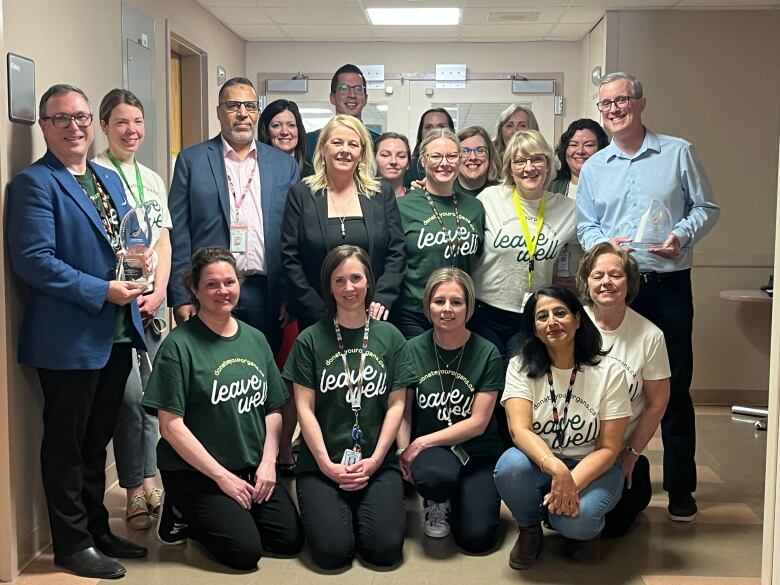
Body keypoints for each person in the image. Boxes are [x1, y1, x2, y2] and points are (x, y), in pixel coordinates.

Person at [7, 84, 148, 579]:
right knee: (68, 445)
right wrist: (101, 290)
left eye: (82, 117)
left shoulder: (101, 177)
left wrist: (137, 266)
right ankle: (71, 544)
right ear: (44, 126)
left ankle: (96, 529)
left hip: (116, 333)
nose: (75, 127)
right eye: (62, 118)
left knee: (97, 441)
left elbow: (119, 238)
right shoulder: (34, 184)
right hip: (69, 339)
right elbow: (34, 261)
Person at [577, 71, 720, 521]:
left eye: (621, 101)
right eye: (606, 105)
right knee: (609, 386)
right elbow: (586, 227)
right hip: (616, 290)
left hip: (669, 286)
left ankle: (680, 488)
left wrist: (681, 235)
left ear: (640, 103)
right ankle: (616, 476)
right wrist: (605, 248)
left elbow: (706, 208)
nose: (614, 110)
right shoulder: (595, 167)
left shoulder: (679, 153)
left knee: (674, 388)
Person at [141, 247, 303, 570]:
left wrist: (269, 463)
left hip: (250, 467)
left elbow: (274, 408)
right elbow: (170, 427)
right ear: (195, 290)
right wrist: (222, 478)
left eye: (229, 282)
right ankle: (180, 511)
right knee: (245, 553)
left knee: (289, 540)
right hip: (198, 473)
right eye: (212, 284)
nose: (222, 291)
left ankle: (230, 512)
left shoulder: (255, 340)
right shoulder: (179, 347)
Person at [283, 245, 415, 569]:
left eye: (356, 278)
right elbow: (304, 408)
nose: (349, 288)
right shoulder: (310, 340)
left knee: (383, 552)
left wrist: (375, 460)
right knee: (332, 554)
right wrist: (327, 465)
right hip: (321, 464)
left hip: (377, 461)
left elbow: (397, 405)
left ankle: (363, 505)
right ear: (329, 286)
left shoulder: (391, 337)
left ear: (369, 281)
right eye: (339, 280)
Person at [493, 286, 630, 569]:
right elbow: (520, 430)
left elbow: (609, 447)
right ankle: (530, 530)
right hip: (542, 462)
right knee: (509, 467)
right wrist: (555, 468)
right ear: (533, 328)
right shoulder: (520, 366)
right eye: (541, 317)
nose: (551, 322)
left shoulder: (610, 371)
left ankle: (578, 529)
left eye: (560, 313)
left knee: (579, 522)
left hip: (593, 464)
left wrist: (570, 483)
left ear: (578, 319)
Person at [168, 76, 299, 353]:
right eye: (233, 106)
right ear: (219, 111)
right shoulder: (192, 161)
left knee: (260, 374)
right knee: (211, 375)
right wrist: (181, 297)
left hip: (266, 294)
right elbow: (178, 231)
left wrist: (290, 294)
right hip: (209, 291)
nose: (242, 113)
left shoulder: (282, 164)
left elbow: (293, 233)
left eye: (250, 106)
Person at [92, 88, 171, 531]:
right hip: (118, 306)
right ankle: (133, 488)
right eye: (121, 122)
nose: (131, 130)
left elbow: (163, 240)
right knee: (129, 400)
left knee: (154, 399)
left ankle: (150, 476)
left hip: (151, 305)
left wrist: (158, 291)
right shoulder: (95, 173)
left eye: (137, 122)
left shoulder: (153, 178)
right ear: (104, 126)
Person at [398, 269, 504, 553]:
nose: (447, 309)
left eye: (456, 302)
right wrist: (404, 450)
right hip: (435, 454)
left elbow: (479, 423)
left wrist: (420, 442)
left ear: (468, 306)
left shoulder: (488, 352)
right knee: (435, 477)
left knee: (477, 539)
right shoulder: (410, 349)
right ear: (427, 305)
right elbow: (403, 411)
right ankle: (437, 498)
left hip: (478, 449)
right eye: (439, 301)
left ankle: (461, 495)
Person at [577, 242, 671, 537]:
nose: (606, 282)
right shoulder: (570, 323)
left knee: (611, 528)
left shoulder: (650, 336)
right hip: (569, 446)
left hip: (616, 450)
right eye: (598, 275)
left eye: (616, 275)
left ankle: (634, 471)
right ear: (586, 282)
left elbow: (658, 401)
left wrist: (630, 452)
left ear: (629, 282)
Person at [281, 115, 406, 331]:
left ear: (362, 152)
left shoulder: (381, 193)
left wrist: (382, 297)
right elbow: (290, 257)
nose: (345, 150)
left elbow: (397, 251)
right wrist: (318, 310)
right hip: (317, 319)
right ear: (322, 147)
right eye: (337, 142)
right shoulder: (301, 194)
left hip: (373, 315)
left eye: (353, 144)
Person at [470, 130, 576, 357]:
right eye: (519, 161)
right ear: (509, 167)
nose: (529, 167)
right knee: (490, 379)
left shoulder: (567, 209)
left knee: (522, 380)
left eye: (537, 159)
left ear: (548, 165)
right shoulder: (490, 199)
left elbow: (593, 241)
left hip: (534, 314)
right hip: (485, 312)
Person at [394, 128, 485, 339]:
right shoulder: (401, 208)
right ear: (423, 161)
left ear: (460, 159)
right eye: (435, 156)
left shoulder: (475, 208)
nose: (444, 163)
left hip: (460, 314)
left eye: (452, 156)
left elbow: (478, 257)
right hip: (414, 314)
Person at [547, 119, 609, 289]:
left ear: (601, 149)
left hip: (597, 278)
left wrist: (586, 280)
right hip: (554, 278)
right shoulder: (551, 187)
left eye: (589, 145)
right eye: (573, 144)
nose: (580, 151)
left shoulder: (610, 188)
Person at [305, 64, 380, 164]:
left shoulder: (378, 143)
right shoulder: (310, 142)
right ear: (332, 97)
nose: (352, 95)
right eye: (344, 88)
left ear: (365, 98)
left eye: (358, 89)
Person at [258, 98, 314, 178]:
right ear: (266, 132)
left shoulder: (313, 175)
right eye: (276, 125)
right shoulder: (256, 171)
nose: (284, 132)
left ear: (298, 130)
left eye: (291, 125)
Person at [404, 107, 456, 187]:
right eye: (428, 127)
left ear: (451, 131)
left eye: (441, 126)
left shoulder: (460, 164)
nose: (434, 131)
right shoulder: (409, 167)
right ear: (420, 133)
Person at [455, 126, 501, 198]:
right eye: (464, 151)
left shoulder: (502, 192)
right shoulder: (444, 191)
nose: (473, 157)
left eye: (480, 150)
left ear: (490, 154)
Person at [375, 131, 411, 197]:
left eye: (401, 156)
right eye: (385, 155)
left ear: (408, 163)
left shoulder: (417, 200)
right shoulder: (361, 198)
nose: (393, 161)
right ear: (374, 159)